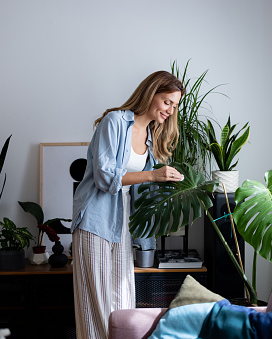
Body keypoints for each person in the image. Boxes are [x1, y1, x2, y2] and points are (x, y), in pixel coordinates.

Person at [71, 70, 186, 339]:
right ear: (151, 93)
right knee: (95, 304)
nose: (170, 110)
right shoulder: (114, 122)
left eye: (175, 105)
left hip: (122, 223)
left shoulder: (150, 135)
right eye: (167, 102)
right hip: (95, 221)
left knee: (122, 301)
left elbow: (142, 190)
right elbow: (105, 176)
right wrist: (153, 174)